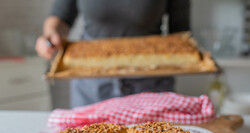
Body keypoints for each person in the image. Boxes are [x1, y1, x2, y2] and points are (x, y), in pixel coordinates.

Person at [35, 0, 190, 108]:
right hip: (91, 84)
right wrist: (51, 35)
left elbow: (180, 35)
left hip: (151, 85)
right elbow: (61, 17)